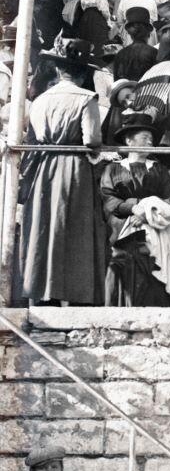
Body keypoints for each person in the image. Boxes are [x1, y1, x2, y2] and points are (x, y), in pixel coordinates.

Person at [16, 40, 107, 306]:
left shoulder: (40, 100)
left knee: (46, 224)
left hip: (45, 166)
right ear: (82, 73)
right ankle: (79, 294)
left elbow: (34, 137)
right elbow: (91, 139)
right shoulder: (86, 98)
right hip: (74, 166)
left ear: (58, 71)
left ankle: (43, 292)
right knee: (76, 227)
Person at [101, 112, 170, 306]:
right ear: (129, 140)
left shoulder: (158, 170)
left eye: (152, 139)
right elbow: (109, 199)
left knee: (153, 270)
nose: (150, 142)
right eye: (145, 138)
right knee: (123, 266)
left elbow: (169, 201)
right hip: (123, 226)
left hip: (157, 227)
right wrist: (135, 208)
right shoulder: (113, 169)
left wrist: (146, 214)